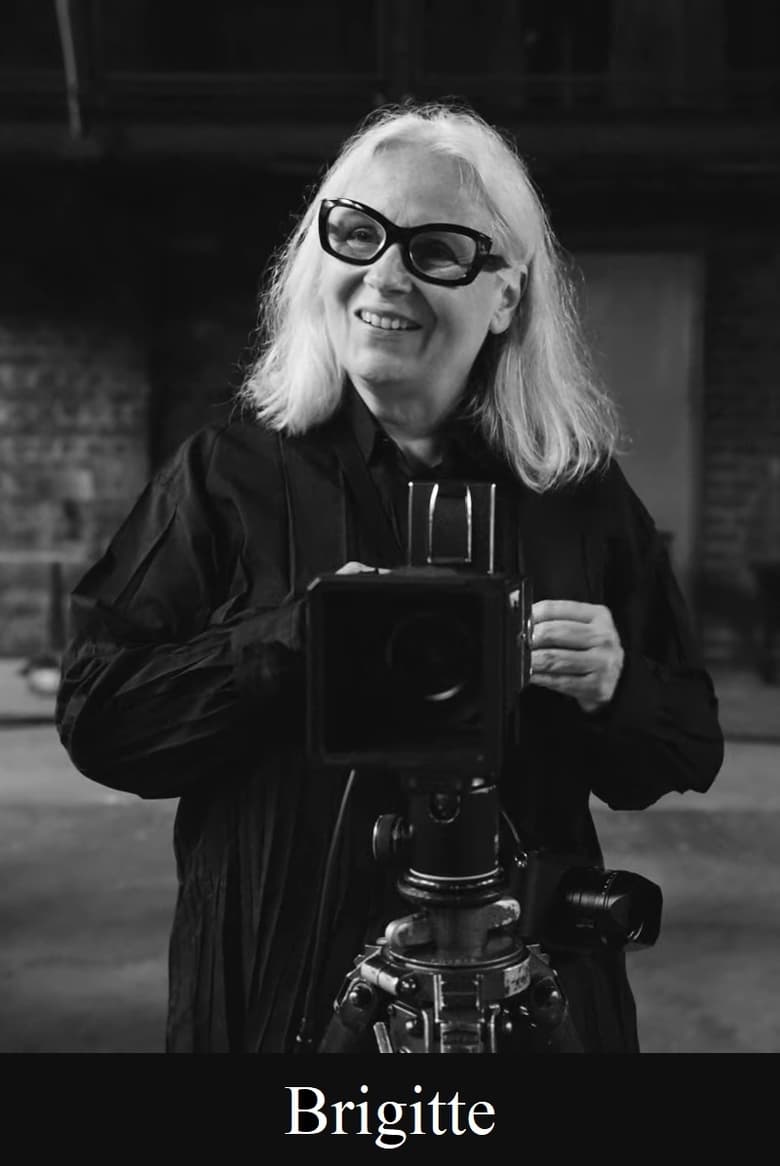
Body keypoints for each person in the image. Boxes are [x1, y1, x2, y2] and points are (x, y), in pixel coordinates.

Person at [55, 100, 724, 1054]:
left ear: (505, 297)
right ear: (318, 255)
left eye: (437, 250)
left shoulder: (576, 494)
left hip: (527, 992)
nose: (385, 274)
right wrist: (295, 639)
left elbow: (686, 748)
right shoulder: (226, 478)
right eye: (359, 233)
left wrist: (615, 687)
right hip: (281, 989)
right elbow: (100, 718)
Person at [743, 455, 780, 684]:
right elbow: (750, 534)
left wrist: (748, 561)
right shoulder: (760, 500)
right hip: (767, 566)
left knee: (768, 619)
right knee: (769, 619)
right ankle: (768, 669)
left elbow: (749, 534)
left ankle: (768, 670)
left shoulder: (758, 499)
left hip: (764, 566)